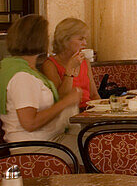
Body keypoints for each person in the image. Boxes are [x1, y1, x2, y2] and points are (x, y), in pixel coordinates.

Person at [0, 14, 80, 143]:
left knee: (97, 141)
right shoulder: (22, 76)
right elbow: (30, 123)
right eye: (46, 35)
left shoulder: (28, 70)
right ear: (38, 39)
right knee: (100, 150)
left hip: (51, 139)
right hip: (37, 146)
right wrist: (65, 103)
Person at [41, 17, 99, 109]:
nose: (85, 43)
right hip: (68, 115)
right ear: (65, 40)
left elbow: (94, 95)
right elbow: (60, 99)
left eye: (85, 39)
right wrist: (70, 70)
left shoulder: (85, 62)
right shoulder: (50, 64)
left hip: (88, 111)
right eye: (81, 39)